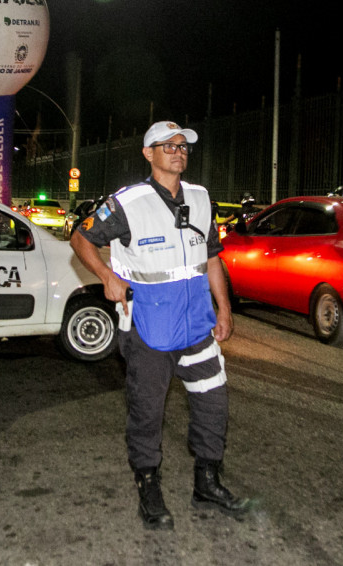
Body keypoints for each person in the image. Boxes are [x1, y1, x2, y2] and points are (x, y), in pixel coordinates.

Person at [70, 120, 252, 530]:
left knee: (213, 405)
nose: (178, 150)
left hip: (196, 327)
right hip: (149, 327)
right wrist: (106, 276)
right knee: (147, 411)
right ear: (148, 154)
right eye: (167, 145)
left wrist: (224, 309)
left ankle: (207, 481)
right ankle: (148, 485)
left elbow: (212, 258)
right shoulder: (127, 202)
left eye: (183, 145)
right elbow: (81, 239)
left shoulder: (202, 199)